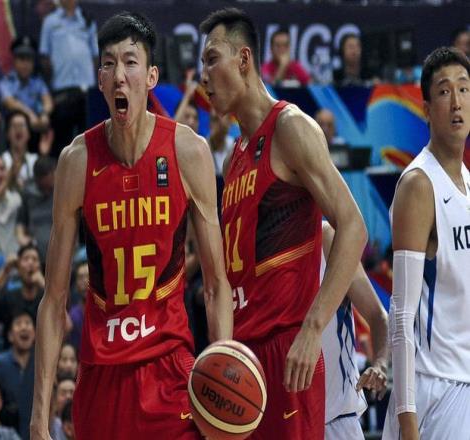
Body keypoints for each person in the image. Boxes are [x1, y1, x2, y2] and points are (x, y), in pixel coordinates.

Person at [30, 12, 232, 440]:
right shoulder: (77, 161)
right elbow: (54, 299)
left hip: (169, 369)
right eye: (108, 64)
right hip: (101, 375)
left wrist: (220, 384)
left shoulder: (187, 151)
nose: (119, 75)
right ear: (99, 80)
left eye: (130, 62)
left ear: (152, 76)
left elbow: (216, 285)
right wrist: (38, 419)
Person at [199, 8, 367, 439]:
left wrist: (313, 328)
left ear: (244, 59)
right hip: (243, 359)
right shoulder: (234, 158)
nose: (203, 76)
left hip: (286, 351)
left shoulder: (290, 128)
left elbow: (353, 225)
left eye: (212, 59)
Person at [382, 47, 470, 440]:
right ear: (427, 109)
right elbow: (401, 313)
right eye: (445, 91)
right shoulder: (419, 185)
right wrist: (407, 420)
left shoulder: (467, 184)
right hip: (432, 392)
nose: (457, 102)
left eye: (464, 89)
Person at [321, 222, 388, 440]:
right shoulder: (261, 247)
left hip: (336, 422)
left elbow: (378, 316)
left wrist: (379, 364)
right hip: (287, 418)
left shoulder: (327, 238)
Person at [39, 0, 98, 157]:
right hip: (62, 90)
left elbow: (95, 55)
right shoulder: (50, 22)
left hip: (85, 90)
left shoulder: (87, 20)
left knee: (88, 140)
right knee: (63, 143)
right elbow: (44, 56)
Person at [0, 309, 36, 440]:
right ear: (10, 336)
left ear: (35, 334)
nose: (24, 327)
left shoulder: (41, 364)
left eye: (28, 323)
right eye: (18, 323)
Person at [0, 36, 53, 135]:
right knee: (19, 120)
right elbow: (9, 102)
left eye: (29, 60)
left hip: (35, 126)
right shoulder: (6, 82)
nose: (25, 64)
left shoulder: (37, 81)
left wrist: (44, 114)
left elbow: (48, 101)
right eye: (22, 59)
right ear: (14, 61)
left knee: (48, 120)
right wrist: (29, 114)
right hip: (13, 131)